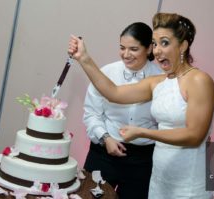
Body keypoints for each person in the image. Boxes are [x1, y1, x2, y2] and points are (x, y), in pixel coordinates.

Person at [68, 12, 214, 199]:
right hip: (160, 177)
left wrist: (142, 132)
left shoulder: (199, 80)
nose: (157, 51)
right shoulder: (159, 81)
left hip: (187, 178)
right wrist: (84, 58)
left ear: (183, 45)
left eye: (164, 43)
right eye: (155, 44)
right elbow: (113, 92)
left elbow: (194, 136)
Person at [83, 22, 163, 199]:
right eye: (122, 48)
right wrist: (106, 138)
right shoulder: (105, 73)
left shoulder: (161, 79)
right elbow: (91, 114)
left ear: (149, 49)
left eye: (133, 49)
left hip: (142, 160)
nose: (126, 55)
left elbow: (164, 121)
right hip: (103, 154)